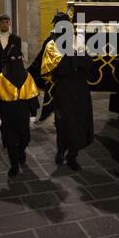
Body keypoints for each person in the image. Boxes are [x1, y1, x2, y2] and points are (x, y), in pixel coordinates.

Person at [41, 13, 94, 171]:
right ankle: (61, 149)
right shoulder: (52, 45)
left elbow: (88, 63)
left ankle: (73, 156)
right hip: (64, 89)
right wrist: (75, 58)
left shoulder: (79, 40)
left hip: (81, 88)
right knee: (64, 122)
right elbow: (59, 69)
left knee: (79, 121)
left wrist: (74, 59)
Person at [0, 45, 39, 179]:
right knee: (10, 142)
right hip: (7, 115)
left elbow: (32, 96)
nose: (16, 60)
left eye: (18, 58)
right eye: (13, 58)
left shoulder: (27, 76)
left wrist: (33, 113)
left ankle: (21, 152)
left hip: (23, 114)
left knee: (24, 140)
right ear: (8, 60)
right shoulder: (1, 78)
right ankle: (14, 166)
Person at [0, 14, 22, 81]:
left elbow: (18, 56)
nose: (5, 24)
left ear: (10, 24)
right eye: (2, 22)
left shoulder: (16, 39)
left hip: (11, 73)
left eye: (7, 22)